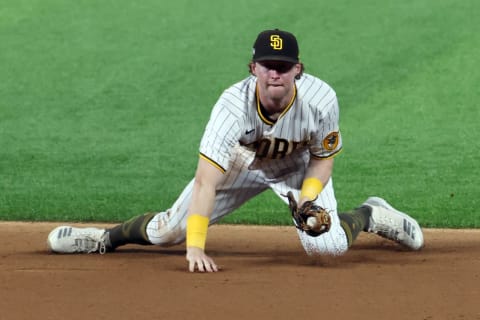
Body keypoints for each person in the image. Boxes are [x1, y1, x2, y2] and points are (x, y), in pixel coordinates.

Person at [47, 29, 424, 272]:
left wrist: (308, 199)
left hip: (296, 167)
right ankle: (102, 239)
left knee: (327, 250)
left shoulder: (322, 100)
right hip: (241, 164)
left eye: (283, 66)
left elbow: (323, 158)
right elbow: (205, 182)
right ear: (253, 68)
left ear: (298, 70)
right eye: (267, 66)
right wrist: (196, 247)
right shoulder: (231, 107)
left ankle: (369, 214)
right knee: (167, 233)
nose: (275, 73)